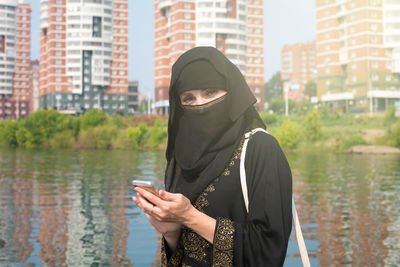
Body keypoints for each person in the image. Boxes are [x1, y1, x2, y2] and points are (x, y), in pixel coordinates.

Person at [132, 47, 292, 266]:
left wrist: (189, 216)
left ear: (231, 91)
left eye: (210, 93)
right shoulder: (182, 158)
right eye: (189, 98)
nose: (200, 105)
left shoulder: (260, 149)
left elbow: (267, 252)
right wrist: (171, 233)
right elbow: (181, 255)